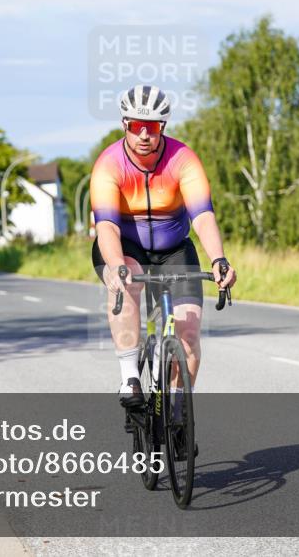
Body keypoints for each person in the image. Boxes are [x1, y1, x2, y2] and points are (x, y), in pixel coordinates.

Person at [90, 85, 237, 418]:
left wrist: (218, 259)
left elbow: (202, 215)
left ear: (164, 128)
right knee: (127, 281)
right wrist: (115, 266)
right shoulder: (108, 165)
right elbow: (107, 227)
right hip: (124, 246)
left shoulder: (183, 159)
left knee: (187, 334)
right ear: (124, 124)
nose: (144, 135)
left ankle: (177, 407)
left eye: (153, 127)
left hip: (174, 248)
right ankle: (130, 378)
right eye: (136, 126)